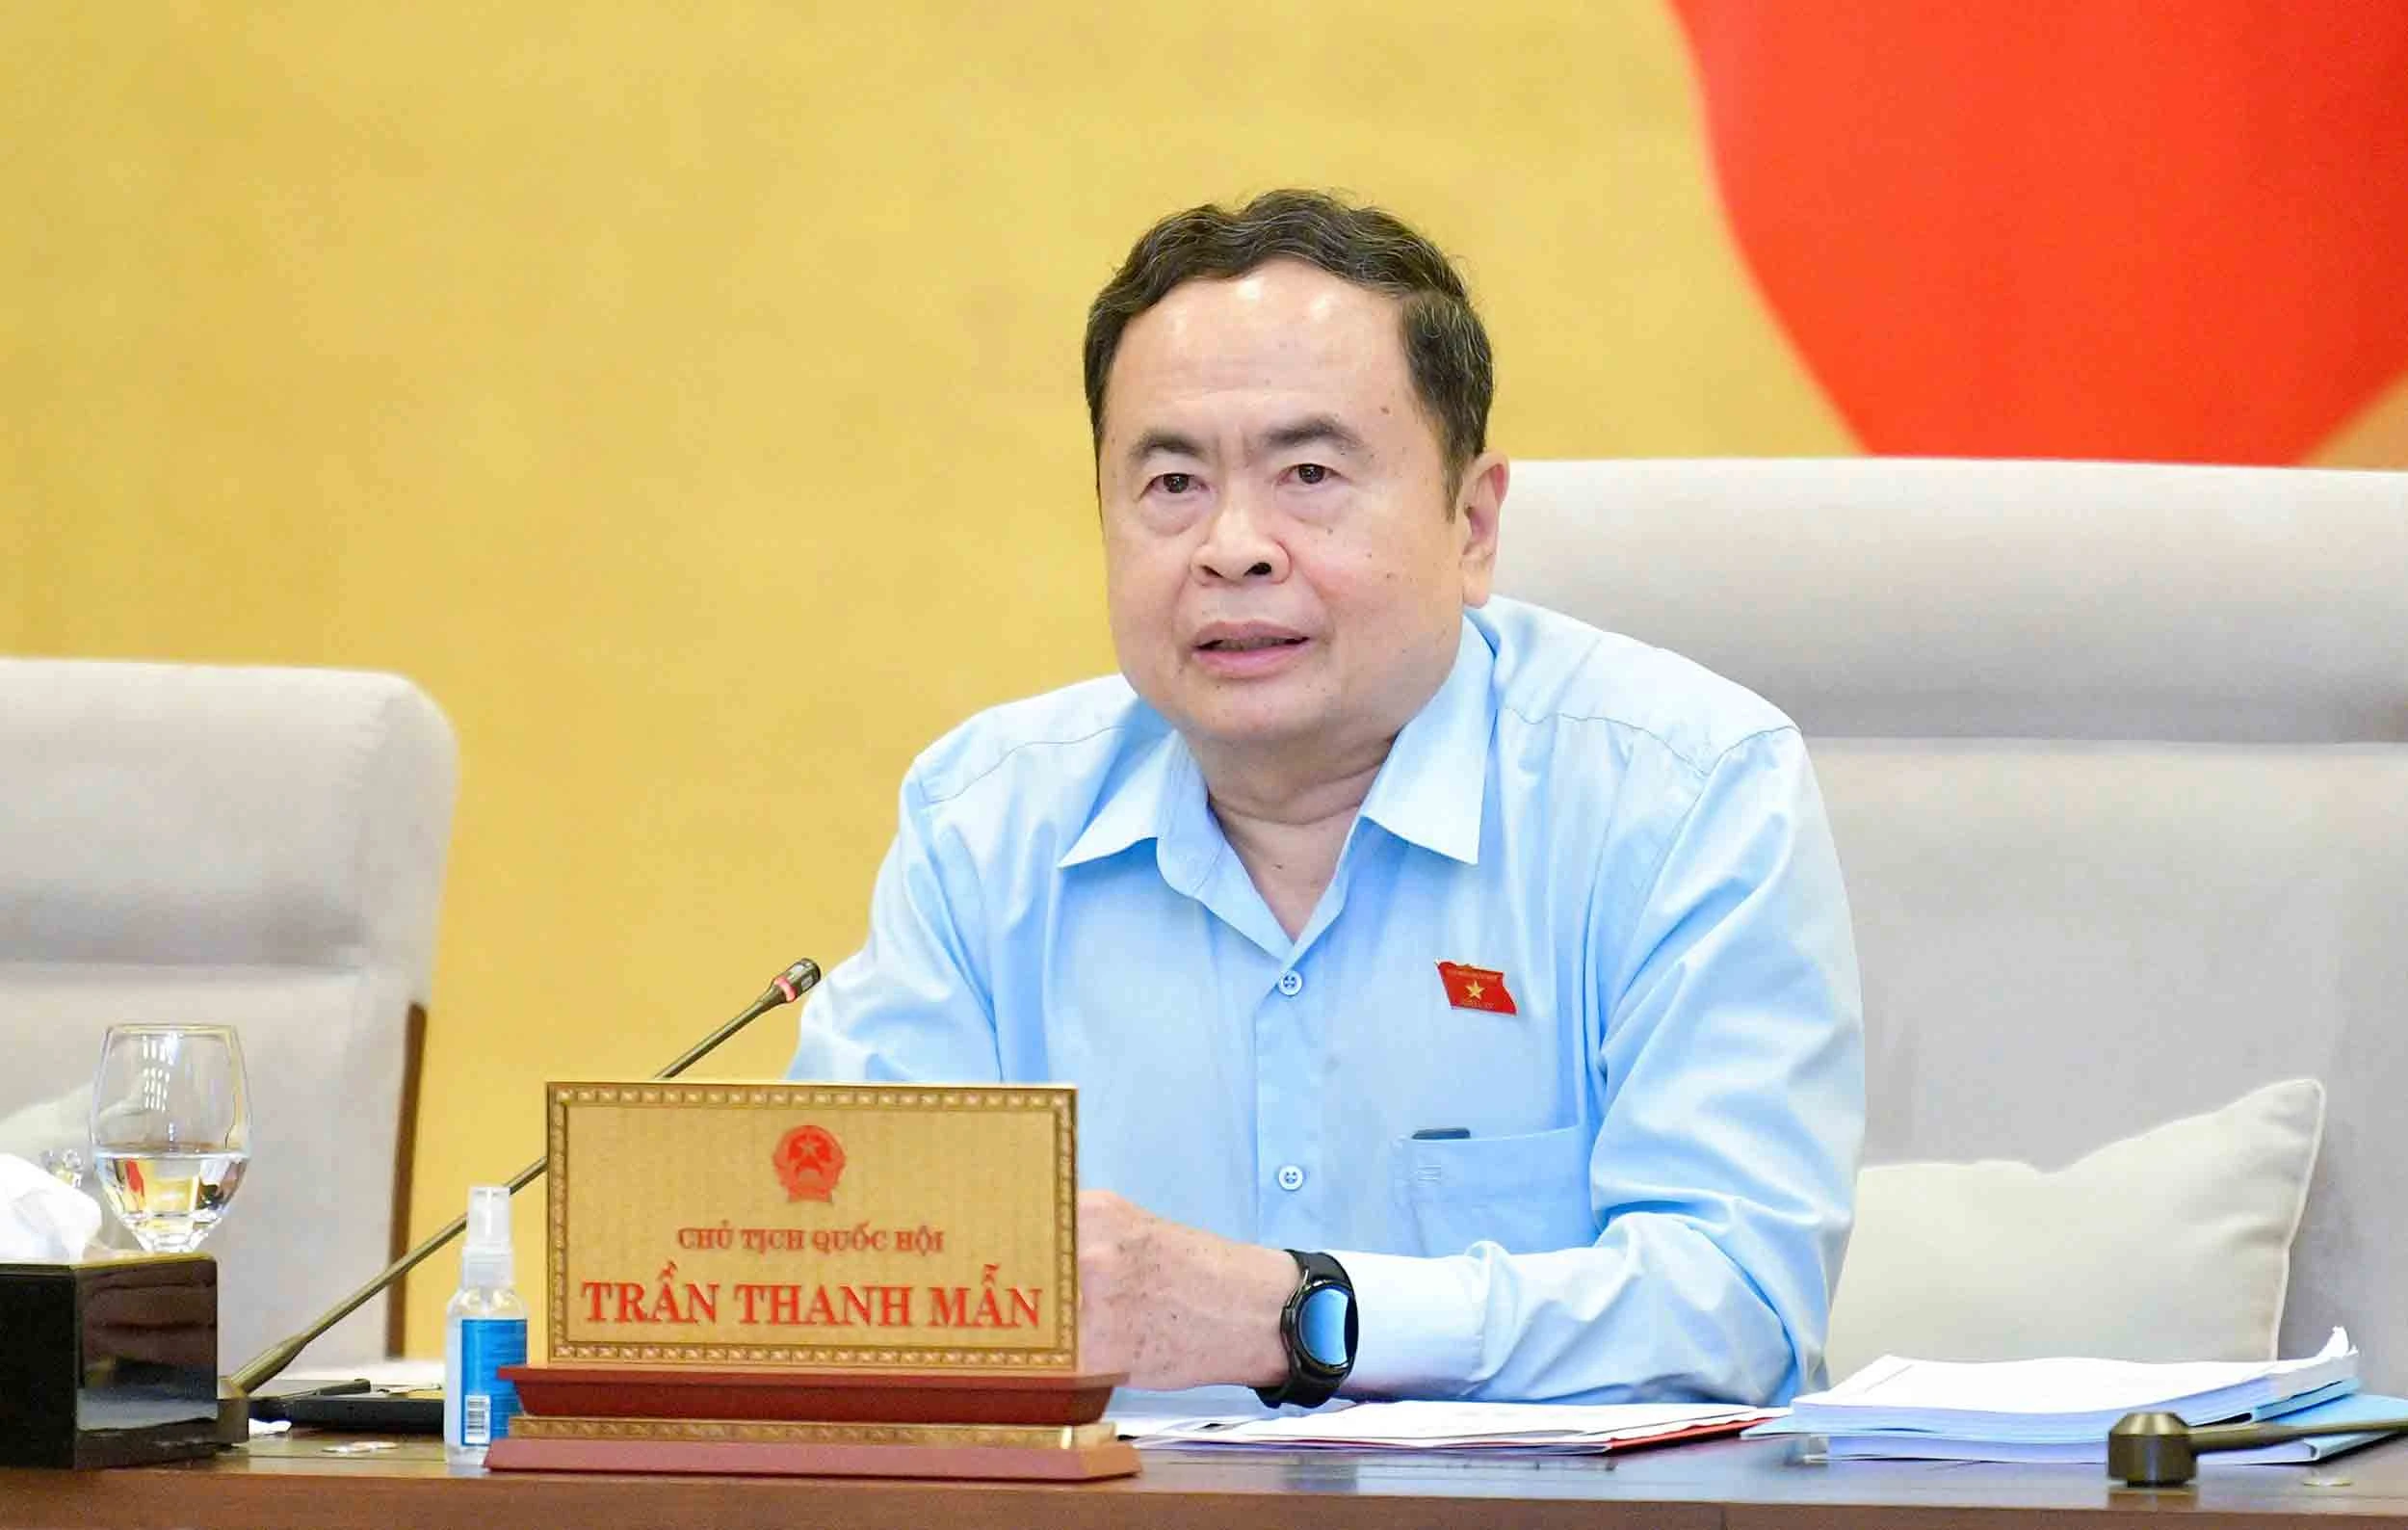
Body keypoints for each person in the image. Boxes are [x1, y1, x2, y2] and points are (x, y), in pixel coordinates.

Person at [789, 189, 1863, 1407]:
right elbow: (842, 1270)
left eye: (1307, 472)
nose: (1232, 546)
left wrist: (1296, 1316)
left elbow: (1735, 1313)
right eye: (1172, 483)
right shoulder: (984, 825)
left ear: (1471, 524)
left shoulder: (1680, 794)